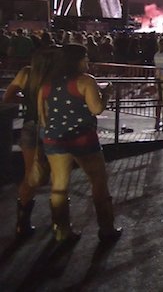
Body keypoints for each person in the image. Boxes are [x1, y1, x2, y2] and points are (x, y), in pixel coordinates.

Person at [38, 43, 121, 242]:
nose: (88, 62)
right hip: (82, 139)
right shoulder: (85, 81)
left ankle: (61, 230)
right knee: (98, 181)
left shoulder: (47, 83)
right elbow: (96, 108)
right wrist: (107, 94)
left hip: (55, 138)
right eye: (85, 58)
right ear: (77, 60)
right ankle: (106, 228)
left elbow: (43, 117)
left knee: (59, 185)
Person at [2, 46, 56, 237]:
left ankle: (22, 223)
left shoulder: (26, 73)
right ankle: (59, 220)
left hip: (30, 125)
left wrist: (27, 100)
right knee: (59, 173)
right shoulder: (58, 76)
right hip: (53, 128)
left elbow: (7, 96)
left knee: (29, 174)